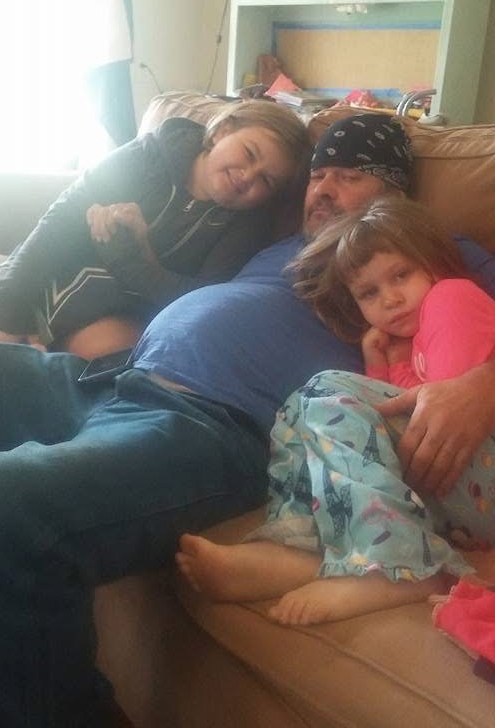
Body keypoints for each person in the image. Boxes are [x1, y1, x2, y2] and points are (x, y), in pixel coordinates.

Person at [0, 112, 495, 728]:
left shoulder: (435, 252)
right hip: (110, 379)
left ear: (395, 194)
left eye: (350, 175)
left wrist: (481, 385)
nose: (323, 188)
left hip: (212, 427)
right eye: (318, 173)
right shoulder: (276, 243)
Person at [176, 196, 495, 625]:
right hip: (463, 482)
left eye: (401, 275)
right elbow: (397, 414)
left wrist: (388, 366)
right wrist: (383, 359)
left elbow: (444, 413)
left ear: (435, 265)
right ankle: (300, 548)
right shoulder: (412, 340)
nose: (390, 299)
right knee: (301, 408)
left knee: (327, 390)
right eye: (369, 292)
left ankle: (397, 565)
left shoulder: (451, 298)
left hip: (474, 461)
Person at [0, 99, 310, 359]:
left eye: (266, 180)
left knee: (110, 351)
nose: (248, 176)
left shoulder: (247, 225)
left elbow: (200, 302)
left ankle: (25, 350)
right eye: (249, 153)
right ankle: (16, 334)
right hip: (58, 270)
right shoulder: (148, 155)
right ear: (222, 131)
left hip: (120, 309)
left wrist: (137, 258)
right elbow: (59, 223)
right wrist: (7, 315)